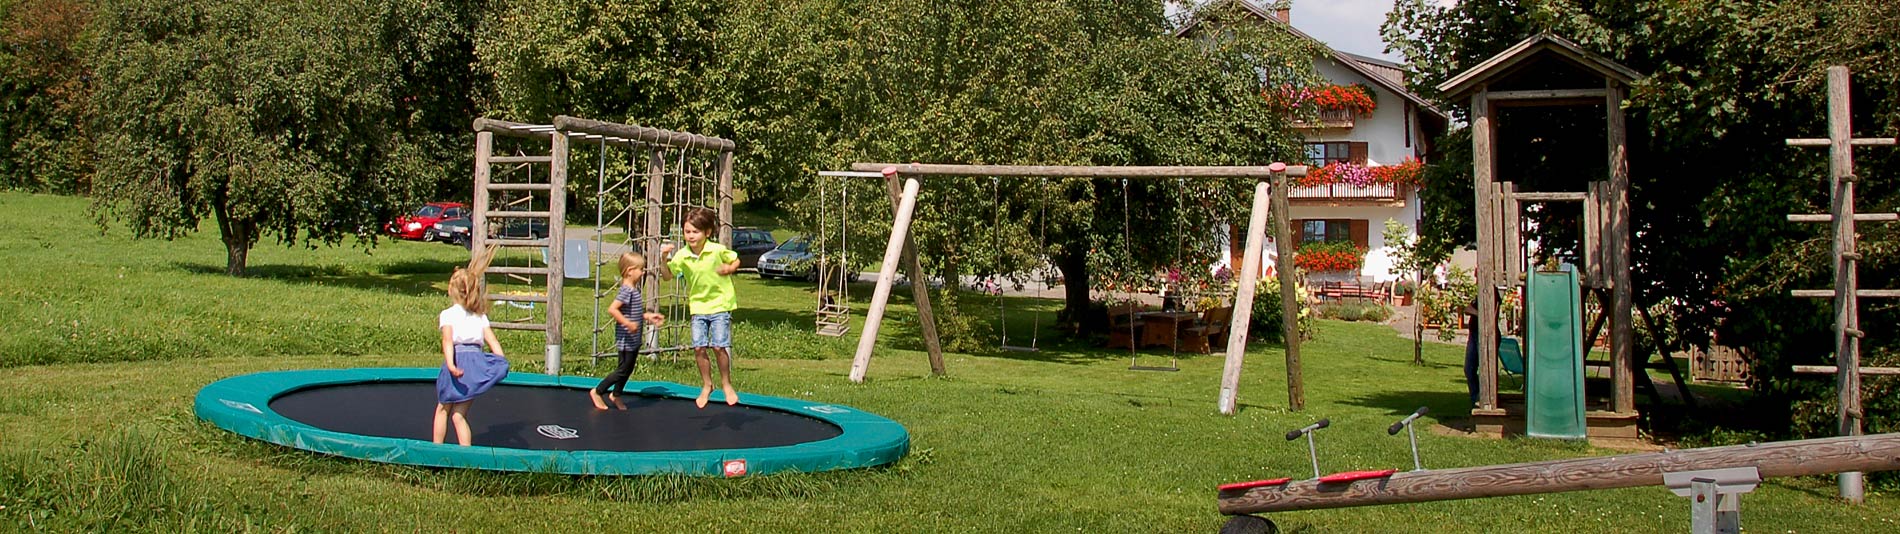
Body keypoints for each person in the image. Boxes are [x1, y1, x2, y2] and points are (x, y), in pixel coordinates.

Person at [659, 208, 743, 408]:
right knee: (698, 347)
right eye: (687, 232)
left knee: (718, 346)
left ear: (707, 232)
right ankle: (707, 384)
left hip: (720, 303)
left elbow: (735, 259)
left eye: (695, 232)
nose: (690, 236)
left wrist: (729, 269)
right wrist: (663, 259)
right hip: (698, 306)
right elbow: (667, 275)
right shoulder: (681, 256)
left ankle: (726, 384)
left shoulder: (715, 250)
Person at [435, 246, 509, 446]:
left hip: (459, 360)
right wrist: (501, 362)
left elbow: (448, 341)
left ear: (451, 290)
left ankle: (436, 450)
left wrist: (451, 365)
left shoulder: (448, 315)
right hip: (475, 363)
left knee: (443, 409)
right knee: (459, 416)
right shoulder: (480, 316)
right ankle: (466, 454)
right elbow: (492, 341)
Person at [591, 251, 667, 410]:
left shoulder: (634, 290)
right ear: (630, 271)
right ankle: (598, 391)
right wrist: (628, 323)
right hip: (626, 338)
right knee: (623, 369)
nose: (643, 272)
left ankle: (616, 394)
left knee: (627, 369)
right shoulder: (626, 290)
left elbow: (633, 312)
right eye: (640, 269)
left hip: (633, 338)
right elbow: (613, 309)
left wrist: (648, 316)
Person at [1463, 298, 1480, 407]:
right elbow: (1467, 309)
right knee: (1469, 369)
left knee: (1485, 369)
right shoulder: (1479, 297)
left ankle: (1481, 398)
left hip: (1483, 334)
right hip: (1473, 333)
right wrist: (1480, 313)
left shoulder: (1493, 295)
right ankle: (1475, 399)